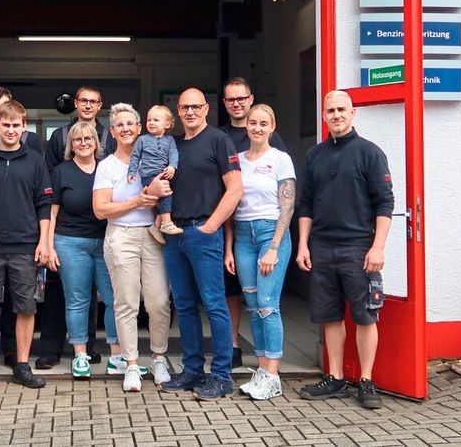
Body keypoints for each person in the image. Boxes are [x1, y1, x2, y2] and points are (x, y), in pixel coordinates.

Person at [296, 90, 393, 410]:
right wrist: (303, 245)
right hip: (322, 246)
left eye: (341, 109)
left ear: (353, 114)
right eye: (330, 111)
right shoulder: (315, 155)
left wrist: (378, 246)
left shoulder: (370, 153)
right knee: (330, 315)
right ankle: (336, 378)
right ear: (323, 116)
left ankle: (366, 380)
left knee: (365, 316)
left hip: (359, 249)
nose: (336, 115)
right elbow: (306, 203)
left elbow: (385, 202)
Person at [154, 88, 242, 401]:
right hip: (174, 234)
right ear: (177, 111)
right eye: (184, 107)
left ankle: (222, 376)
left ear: (205, 108)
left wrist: (210, 226)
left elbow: (235, 189)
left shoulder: (219, 140)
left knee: (215, 304)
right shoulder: (172, 145)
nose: (190, 112)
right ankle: (192, 370)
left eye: (196, 106)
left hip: (203, 232)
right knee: (185, 305)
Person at [0, 100, 50, 392]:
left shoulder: (35, 161)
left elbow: (44, 204)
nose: (11, 130)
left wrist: (43, 241)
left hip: (25, 247)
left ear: (24, 127)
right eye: (6, 125)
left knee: (26, 308)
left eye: (16, 125)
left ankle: (22, 366)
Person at [93, 103, 171, 392]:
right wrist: (137, 202)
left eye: (131, 124)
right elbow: (101, 209)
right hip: (121, 237)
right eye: (119, 125)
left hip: (153, 236)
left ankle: (159, 358)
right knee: (125, 303)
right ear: (112, 131)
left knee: (159, 302)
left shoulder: (156, 157)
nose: (126, 128)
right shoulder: (108, 166)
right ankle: (132, 365)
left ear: (140, 128)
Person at [37, 85, 113, 369]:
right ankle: (52, 348)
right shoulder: (59, 136)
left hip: (100, 237)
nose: (88, 105)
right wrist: (48, 241)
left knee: (93, 297)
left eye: (94, 101)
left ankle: (87, 347)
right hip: (67, 236)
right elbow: (53, 188)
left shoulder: (110, 136)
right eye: (84, 100)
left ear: (100, 105)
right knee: (64, 293)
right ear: (76, 103)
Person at [223, 104, 296, 400]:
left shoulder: (280, 159)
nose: (256, 127)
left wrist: (274, 248)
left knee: (268, 303)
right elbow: (230, 202)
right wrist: (228, 248)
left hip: (270, 234)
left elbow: (287, 205)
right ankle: (262, 370)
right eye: (253, 122)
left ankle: (273, 375)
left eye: (263, 123)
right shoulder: (237, 160)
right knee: (253, 303)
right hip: (242, 236)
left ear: (272, 126)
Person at [46, 122, 121, 379]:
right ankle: (80, 356)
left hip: (106, 241)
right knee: (78, 300)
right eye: (78, 139)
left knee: (113, 300)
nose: (84, 143)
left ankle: (117, 356)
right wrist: (48, 245)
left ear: (97, 143)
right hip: (69, 242)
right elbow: (52, 211)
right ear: (70, 145)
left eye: (89, 138)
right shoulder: (61, 171)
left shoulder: (107, 168)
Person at [127, 105, 182, 243]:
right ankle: (167, 223)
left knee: (164, 198)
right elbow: (135, 156)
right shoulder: (142, 140)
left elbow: (174, 154)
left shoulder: (169, 140)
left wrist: (172, 167)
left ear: (167, 124)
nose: (151, 122)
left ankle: (156, 226)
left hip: (163, 174)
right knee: (165, 194)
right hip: (148, 175)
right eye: (149, 120)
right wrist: (132, 171)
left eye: (156, 120)